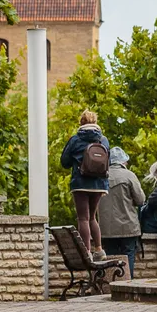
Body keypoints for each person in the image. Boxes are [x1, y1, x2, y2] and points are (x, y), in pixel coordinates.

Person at [60, 110, 110, 259]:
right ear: (95, 122)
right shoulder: (103, 140)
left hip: (80, 183)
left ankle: (87, 251)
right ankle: (99, 250)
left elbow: (64, 162)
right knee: (92, 217)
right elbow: (109, 162)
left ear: (81, 123)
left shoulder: (75, 139)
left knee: (83, 218)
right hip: (99, 183)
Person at [97, 146, 145, 276]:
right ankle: (127, 283)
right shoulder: (129, 175)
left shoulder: (100, 176)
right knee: (128, 255)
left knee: (111, 257)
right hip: (128, 226)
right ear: (123, 162)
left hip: (106, 228)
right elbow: (140, 200)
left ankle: (112, 284)